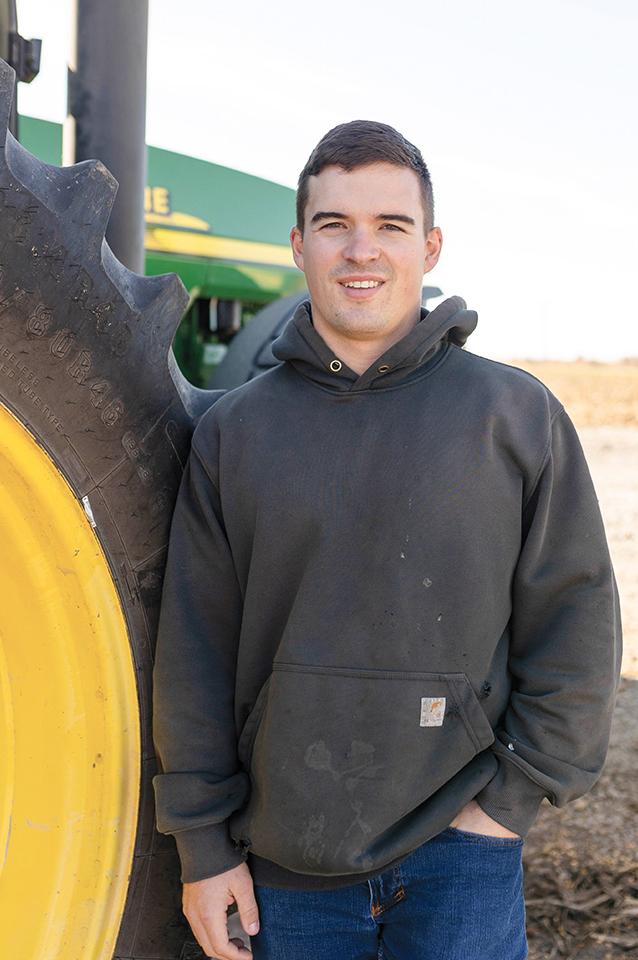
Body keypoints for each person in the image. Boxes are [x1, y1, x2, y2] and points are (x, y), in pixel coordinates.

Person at [152, 120, 621, 960]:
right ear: (298, 244)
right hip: (287, 868)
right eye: (334, 225)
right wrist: (204, 846)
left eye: (391, 226)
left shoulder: (514, 417)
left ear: (431, 246)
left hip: (461, 859)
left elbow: (577, 622)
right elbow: (193, 649)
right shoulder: (235, 434)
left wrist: (507, 806)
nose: (360, 250)